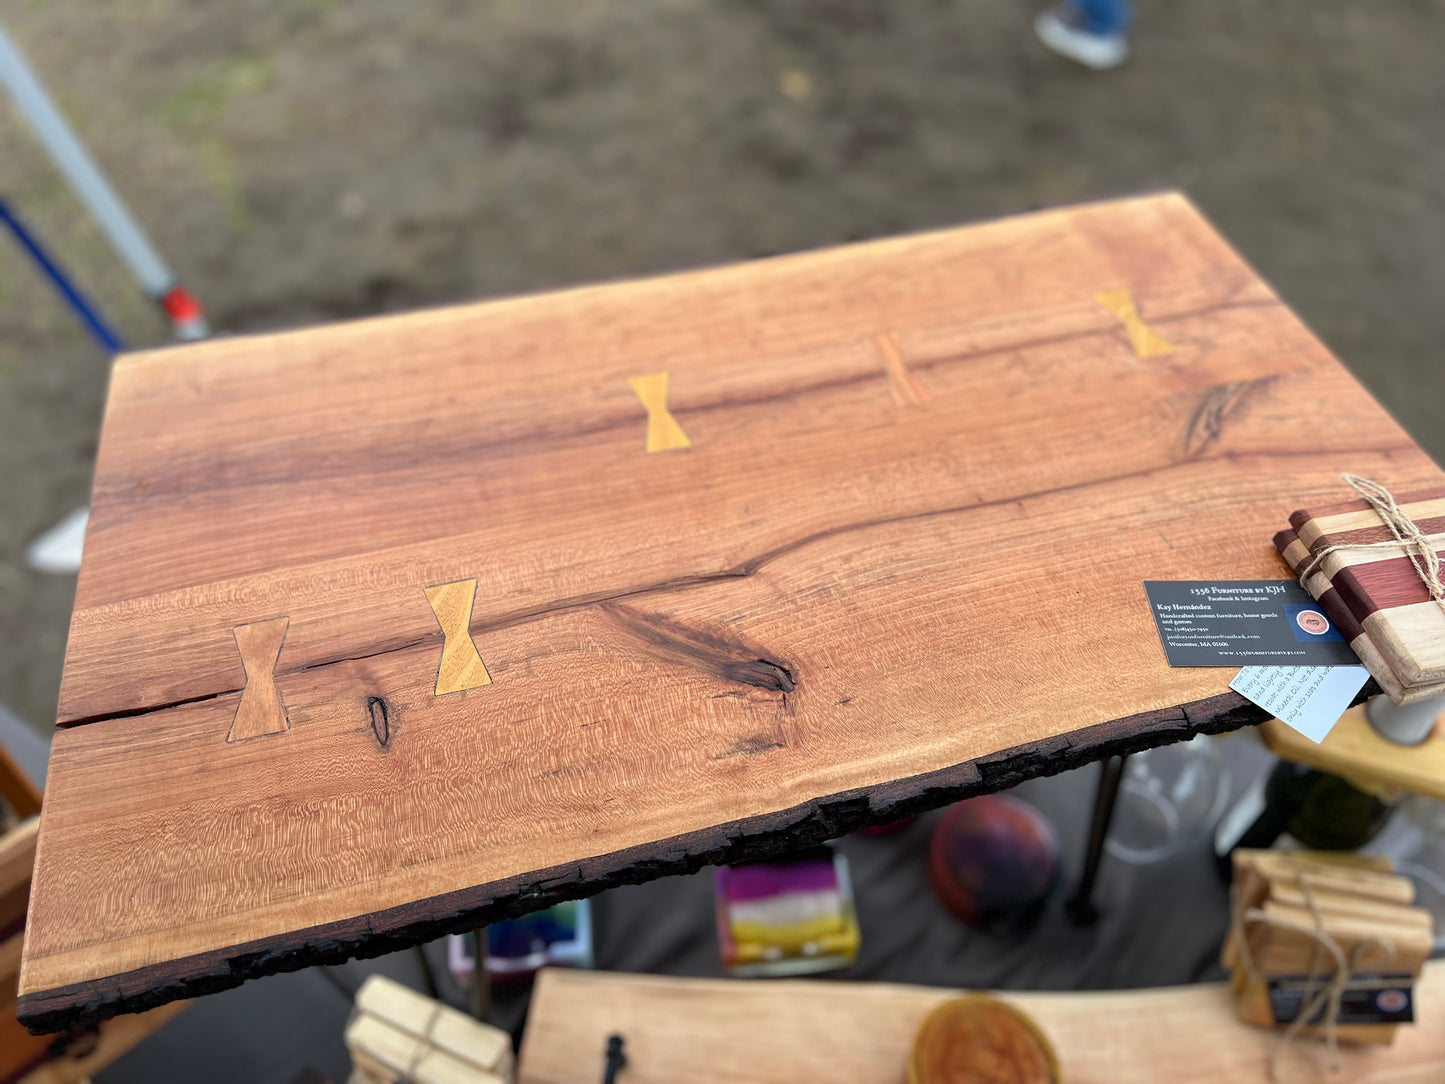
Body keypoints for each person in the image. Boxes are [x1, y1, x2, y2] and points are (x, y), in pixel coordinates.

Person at [1034, 0, 1132, 70]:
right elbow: (1070, 10)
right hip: (1076, 31)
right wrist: (1065, 15)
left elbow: (1112, 27)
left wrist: (1084, 23)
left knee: (1106, 53)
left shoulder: (1113, 6)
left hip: (1101, 40)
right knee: (1047, 24)